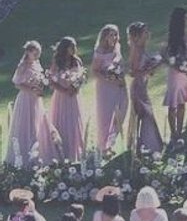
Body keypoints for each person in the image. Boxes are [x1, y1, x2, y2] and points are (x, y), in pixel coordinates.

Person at [5, 41, 56, 167]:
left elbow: (40, 80)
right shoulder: (22, 66)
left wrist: (40, 87)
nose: (37, 55)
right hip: (25, 99)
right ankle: (23, 154)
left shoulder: (36, 64)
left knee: (36, 124)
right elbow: (17, 84)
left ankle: (38, 154)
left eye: (39, 53)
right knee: (25, 125)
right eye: (35, 53)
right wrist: (31, 90)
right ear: (28, 52)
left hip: (36, 99)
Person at [127, 21, 164, 154]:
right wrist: (151, 67)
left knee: (145, 115)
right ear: (138, 35)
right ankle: (146, 146)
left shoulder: (142, 49)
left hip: (143, 86)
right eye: (145, 32)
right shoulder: (136, 50)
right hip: (138, 88)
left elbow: (144, 70)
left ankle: (144, 146)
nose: (148, 34)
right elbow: (133, 72)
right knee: (145, 114)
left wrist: (152, 67)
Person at [92, 24, 128, 155]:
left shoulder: (117, 47)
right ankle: (104, 147)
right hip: (105, 88)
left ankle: (111, 142)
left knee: (122, 111)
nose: (114, 37)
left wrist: (120, 75)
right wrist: (109, 78)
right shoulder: (100, 52)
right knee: (106, 115)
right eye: (111, 35)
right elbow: (95, 71)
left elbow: (120, 65)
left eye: (116, 34)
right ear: (105, 37)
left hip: (120, 85)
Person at [49, 36, 85, 162]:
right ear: (65, 48)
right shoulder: (57, 62)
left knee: (73, 121)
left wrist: (76, 87)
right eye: (71, 47)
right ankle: (61, 153)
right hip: (61, 97)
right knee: (62, 121)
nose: (74, 49)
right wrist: (64, 90)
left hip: (74, 96)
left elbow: (81, 77)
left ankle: (75, 152)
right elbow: (51, 80)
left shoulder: (76, 61)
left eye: (75, 46)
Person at [162, 7, 187, 143]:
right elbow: (163, 54)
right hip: (174, 73)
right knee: (173, 103)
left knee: (182, 103)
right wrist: (173, 63)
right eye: (185, 18)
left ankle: (180, 132)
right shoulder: (170, 37)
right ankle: (173, 132)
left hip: (185, 73)